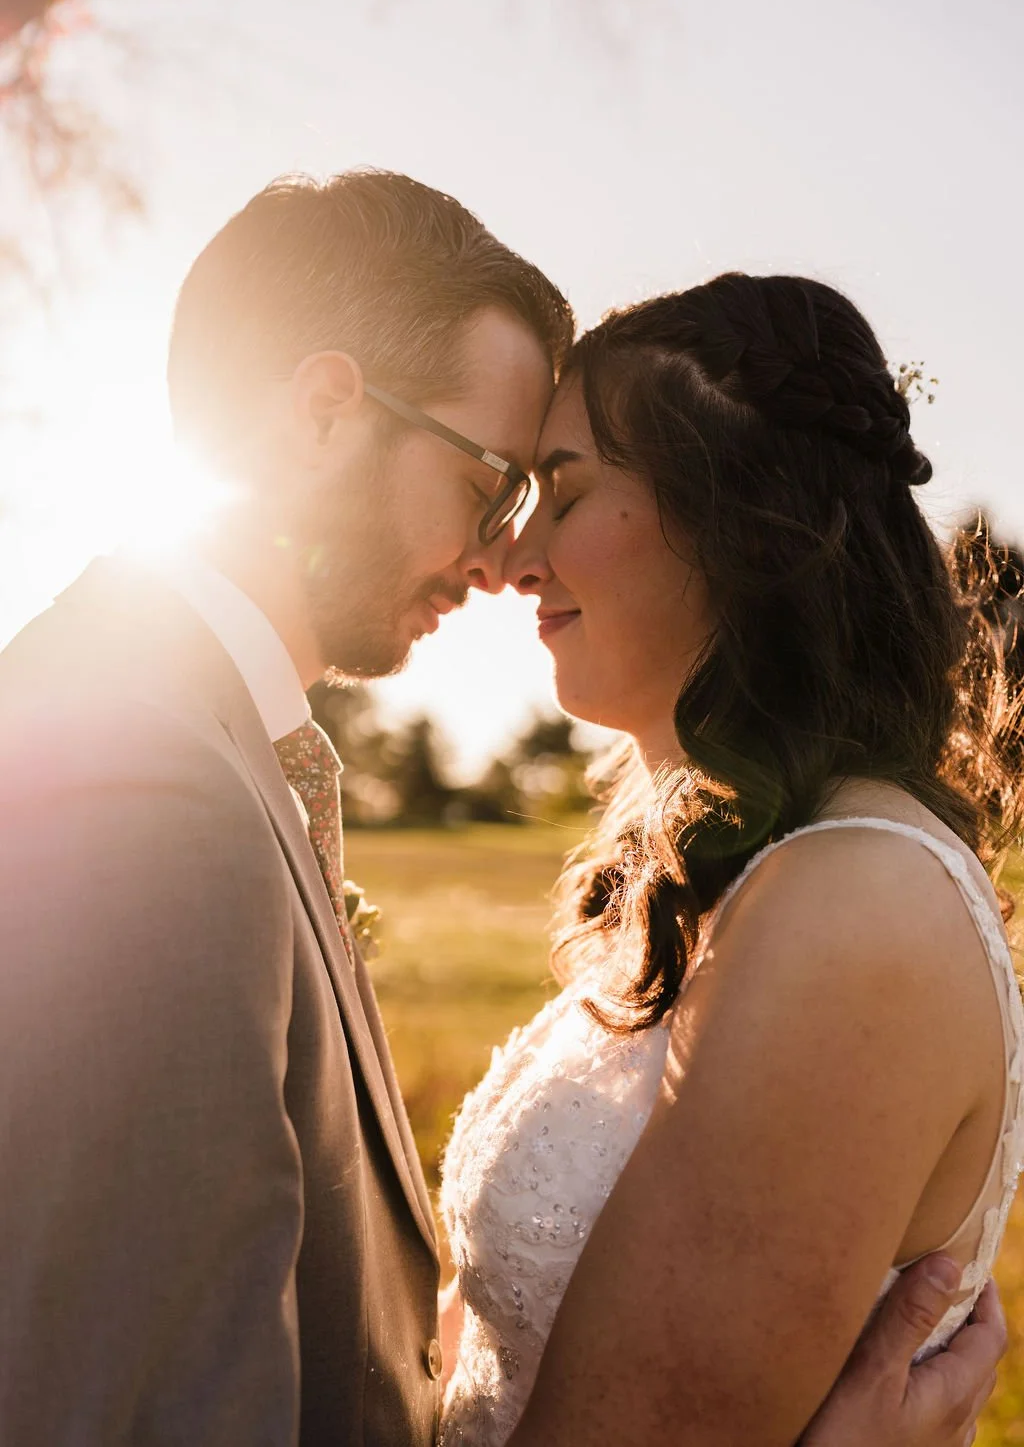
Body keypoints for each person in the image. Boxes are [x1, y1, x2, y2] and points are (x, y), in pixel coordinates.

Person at [0, 173, 1007, 1446]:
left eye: (545, 498)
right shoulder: (141, 772)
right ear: (324, 412)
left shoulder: (189, 746)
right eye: (492, 483)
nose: (496, 557)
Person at [438, 273, 1024, 1446]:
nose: (511, 559)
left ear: (735, 515)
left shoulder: (855, 906)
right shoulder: (733, 871)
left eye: (565, 493)